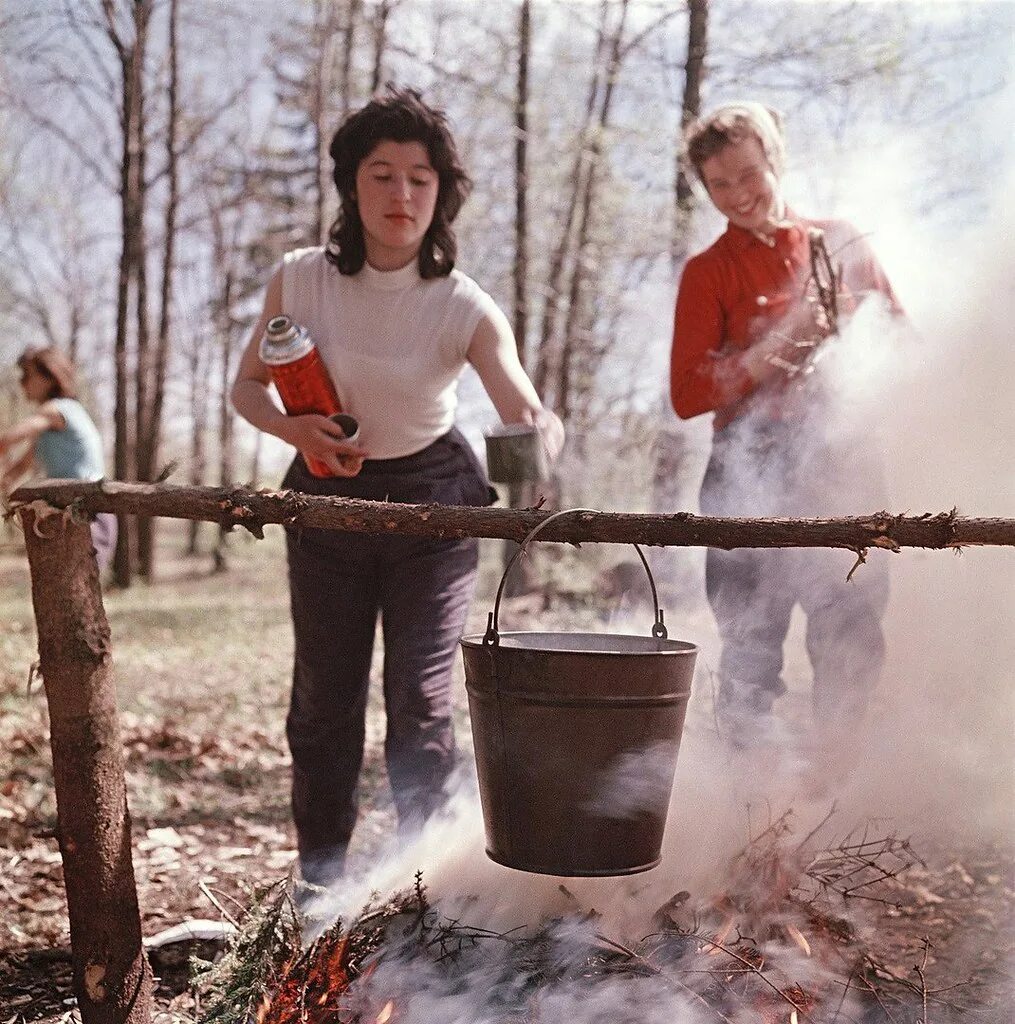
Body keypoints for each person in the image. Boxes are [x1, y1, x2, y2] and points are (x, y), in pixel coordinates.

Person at [232, 87, 564, 887]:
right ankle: (320, 883)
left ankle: (423, 890)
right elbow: (247, 388)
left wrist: (540, 443)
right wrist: (293, 430)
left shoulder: (462, 305)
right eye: (381, 174)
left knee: (420, 709)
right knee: (323, 704)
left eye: (419, 178)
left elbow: (522, 406)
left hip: (434, 505)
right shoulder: (298, 280)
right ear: (351, 184)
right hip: (324, 495)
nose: (400, 194)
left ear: (440, 193)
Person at [670, 102, 904, 749]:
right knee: (747, 647)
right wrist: (783, 339)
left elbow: (902, 347)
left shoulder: (839, 242)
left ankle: (829, 802)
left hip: (843, 462)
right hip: (748, 467)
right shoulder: (708, 272)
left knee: (850, 635)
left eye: (749, 173)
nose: (739, 194)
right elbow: (688, 393)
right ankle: (747, 813)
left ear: (774, 160)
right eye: (720, 184)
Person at [0, 346, 117, 572]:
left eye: (28, 375)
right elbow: (22, 465)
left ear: (49, 377)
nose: (22, 383)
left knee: (79, 585)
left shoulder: (58, 410)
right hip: (68, 512)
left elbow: (11, 438)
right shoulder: (47, 428)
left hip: (90, 509)